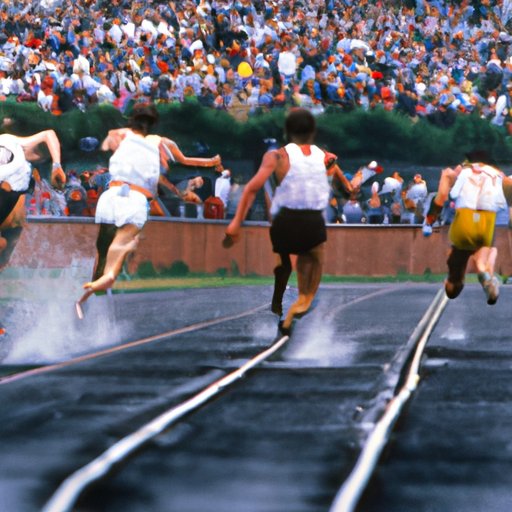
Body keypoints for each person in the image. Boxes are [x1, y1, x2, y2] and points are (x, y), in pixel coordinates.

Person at [223, 108, 331, 335]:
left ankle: (282, 301)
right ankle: (293, 303)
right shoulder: (291, 157)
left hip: (287, 219)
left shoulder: (285, 157)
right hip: (295, 217)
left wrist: (236, 222)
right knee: (297, 263)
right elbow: (260, 190)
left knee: (288, 263)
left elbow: (255, 189)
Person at [75, 103, 163, 318]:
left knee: (106, 250)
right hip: (125, 200)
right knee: (113, 248)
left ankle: (96, 291)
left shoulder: (129, 138)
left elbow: (109, 143)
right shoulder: (146, 142)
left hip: (120, 199)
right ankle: (98, 290)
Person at [0, 126, 66, 336]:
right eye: (39, 158)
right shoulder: (20, 160)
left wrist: (56, 164)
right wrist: (57, 165)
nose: (37, 161)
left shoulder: (10, 140)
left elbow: (48, 135)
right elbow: (49, 135)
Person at [423, 155, 512, 304]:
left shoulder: (464, 171)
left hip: (464, 223)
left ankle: (471, 273)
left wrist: (430, 220)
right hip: (485, 222)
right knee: (489, 251)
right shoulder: (496, 175)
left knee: (460, 251)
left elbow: (444, 192)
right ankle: (484, 270)